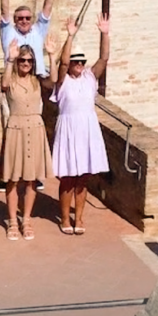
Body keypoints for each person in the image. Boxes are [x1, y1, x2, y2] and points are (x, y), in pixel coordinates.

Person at [0, 0, 61, 192]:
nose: (24, 21)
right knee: (9, 127)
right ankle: (7, 175)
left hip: (35, 82)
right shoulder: (8, 31)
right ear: (15, 20)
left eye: (27, 18)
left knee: (35, 126)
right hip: (11, 82)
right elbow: (4, 9)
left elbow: (48, 7)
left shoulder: (38, 31)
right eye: (20, 18)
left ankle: (33, 173)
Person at [53, 14, 110, 235]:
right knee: (67, 178)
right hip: (68, 130)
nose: (78, 64)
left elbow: (104, 58)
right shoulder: (63, 81)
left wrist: (105, 33)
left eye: (81, 61)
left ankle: (79, 217)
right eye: (75, 61)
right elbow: (63, 63)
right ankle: (64, 218)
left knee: (83, 178)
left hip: (87, 130)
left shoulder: (89, 77)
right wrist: (70, 36)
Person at [1, 35, 60, 241]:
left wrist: (51, 55)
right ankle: (12, 221)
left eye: (29, 60)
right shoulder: (11, 79)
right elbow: (4, 84)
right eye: (22, 60)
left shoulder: (37, 81)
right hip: (15, 129)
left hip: (35, 129)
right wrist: (10, 59)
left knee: (31, 179)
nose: (26, 63)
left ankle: (26, 219)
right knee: (13, 178)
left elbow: (53, 80)